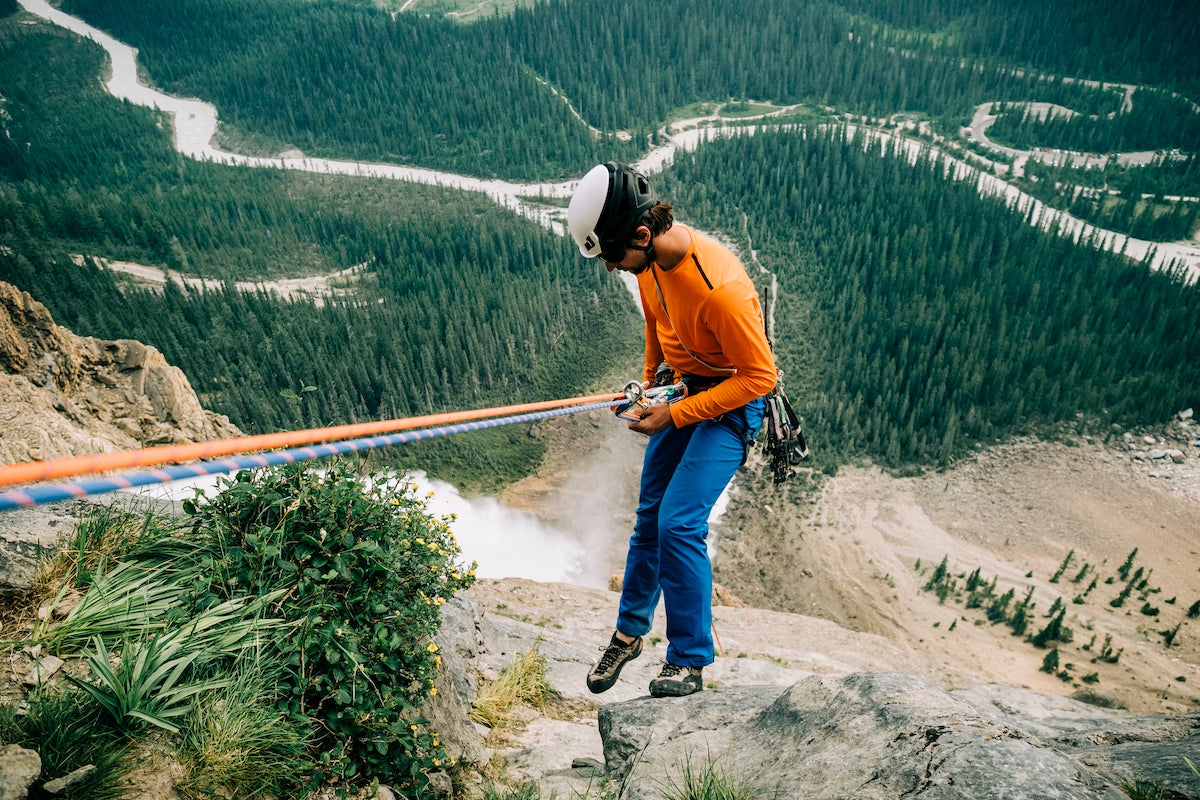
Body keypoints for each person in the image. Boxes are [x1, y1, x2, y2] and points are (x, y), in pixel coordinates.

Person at [566, 161, 777, 698]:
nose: (612, 267)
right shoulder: (648, 264)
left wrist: (676, 413)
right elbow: (657, 324)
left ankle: (688, 659)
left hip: (730, 403)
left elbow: (760, 378)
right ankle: (629, 633)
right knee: (649, 519)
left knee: (679, 524)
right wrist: (647, 389)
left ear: (641, 234)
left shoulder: (721, 291)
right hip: (682, 390)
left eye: (613, 255)